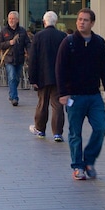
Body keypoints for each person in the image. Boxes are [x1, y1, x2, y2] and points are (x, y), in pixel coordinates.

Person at [56, 8, 105, 181]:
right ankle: (78, 166)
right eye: (79, 19)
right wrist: (63, 93)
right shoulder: (69, 42)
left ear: (92, 23)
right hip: (74, 96)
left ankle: (89, 160)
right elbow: (60, 69)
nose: (81, 22)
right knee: (75, 133)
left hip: (94, 96)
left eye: (85, 20)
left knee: (101, 127)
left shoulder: (99, 43)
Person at [28, 10, 66, 142]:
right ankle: (57, 133)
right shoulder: (62, 36)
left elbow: (33, 59)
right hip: (59, 76)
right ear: (56, 22)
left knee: (42, 103)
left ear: (44, 22)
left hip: (42, 76)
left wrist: (32, 78)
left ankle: (40, 129)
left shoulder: (38, 36)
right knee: (58, 105)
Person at [0, 10, 28, 106]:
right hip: (9, 59)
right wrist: (9, 43)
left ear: (17, 20)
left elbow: (27, 43)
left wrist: (30, 53)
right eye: (10, 18)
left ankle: (12, 92)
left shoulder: (22, 31)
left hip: (19, 58)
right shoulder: (4, 31)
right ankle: (14, 97)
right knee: (12, 76)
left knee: (17, 78)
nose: (11, 20)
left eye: (13, 18)